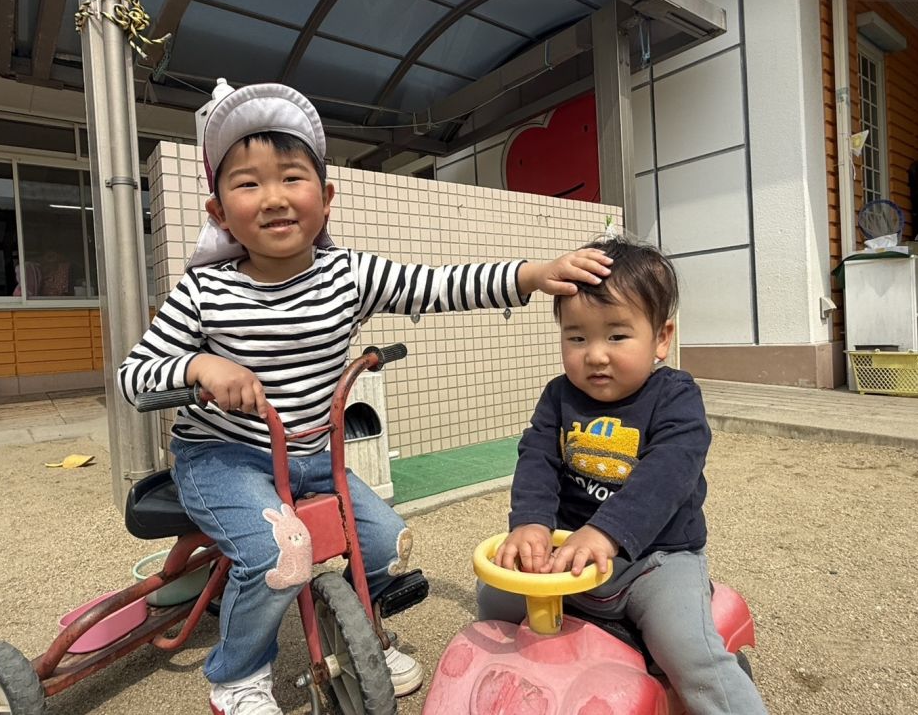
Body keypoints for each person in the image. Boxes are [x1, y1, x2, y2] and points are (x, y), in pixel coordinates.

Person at [117, 82, 612, 715]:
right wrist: (199, 365)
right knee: (278, 552)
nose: (272, 198)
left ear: (324, 200)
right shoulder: (203, 292)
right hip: (224, 458)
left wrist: (531, 275)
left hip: (314, 458)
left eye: (291, 179)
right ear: (218, 212)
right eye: (247, 184)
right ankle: (237, 676)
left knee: (385, 545)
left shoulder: (347, 275)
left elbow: (438, 284)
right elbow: (136, 377)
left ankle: (364, 636)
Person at [478, 236, 768, 715]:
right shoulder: (558, 397)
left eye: (616, 336)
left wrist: (607, 532)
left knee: (690, 652)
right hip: (570, 549)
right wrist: (530, 523)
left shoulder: (675, 397)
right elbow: (537, 459)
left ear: (661, 338)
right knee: (495, 598)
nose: (595, 355)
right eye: (577, 337)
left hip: (656, 558)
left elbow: (669, 473)